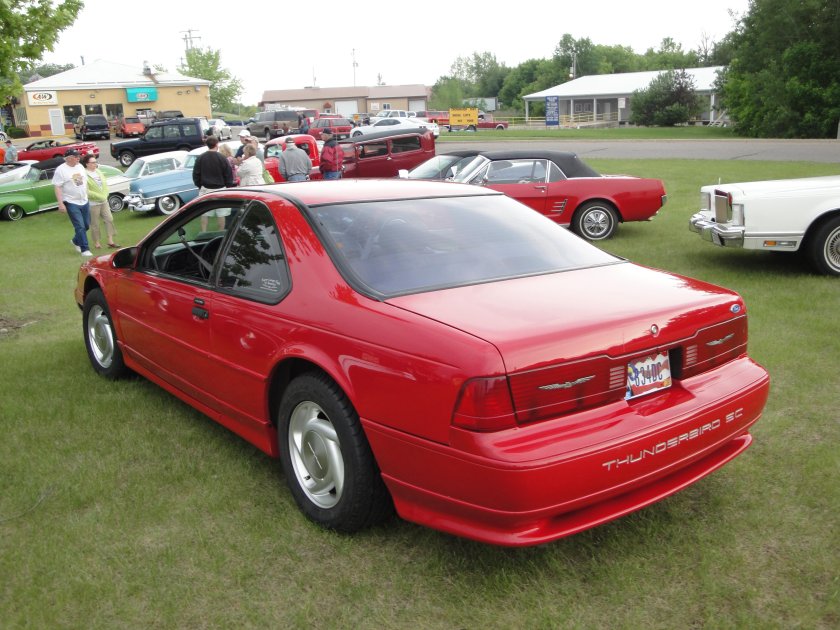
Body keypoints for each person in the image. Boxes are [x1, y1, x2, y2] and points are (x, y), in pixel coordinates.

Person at [52, 149, 92, 256]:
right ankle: (85, 249)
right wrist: (60, 203)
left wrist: (87, 194)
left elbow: (84, 182)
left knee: (86, 225)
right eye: (75, 156)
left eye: (78, 156)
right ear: (68, 158)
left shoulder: (80, 166)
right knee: (80, 226)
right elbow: (57, 187)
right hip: (71, 201)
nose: (78, 158)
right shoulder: (61, 170)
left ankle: (75, 241)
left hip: (84, 200)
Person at [193, 136, 234, 231]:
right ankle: (220, 233)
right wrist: (228, 186)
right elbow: (228, 174)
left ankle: (204, 232)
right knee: (222, 213)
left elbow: (196, 174)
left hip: (205, 188)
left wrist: (200, 185)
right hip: (220, 189)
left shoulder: (200, 158)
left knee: (204, 212)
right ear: (217, 144)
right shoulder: (222, 158)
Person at [81, 154, 118, 249]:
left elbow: (104, 184)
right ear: (87, 164)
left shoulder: (98, 171)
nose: (95, 164)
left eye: (95, 162)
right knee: (95, 224)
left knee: (109, 219)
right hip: (93, 203)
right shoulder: (84, 174)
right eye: (92, 162)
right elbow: (86, 191)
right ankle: (96, 242)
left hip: (104, 201)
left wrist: (105, 195)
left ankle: (110, 240)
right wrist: (99, 196)